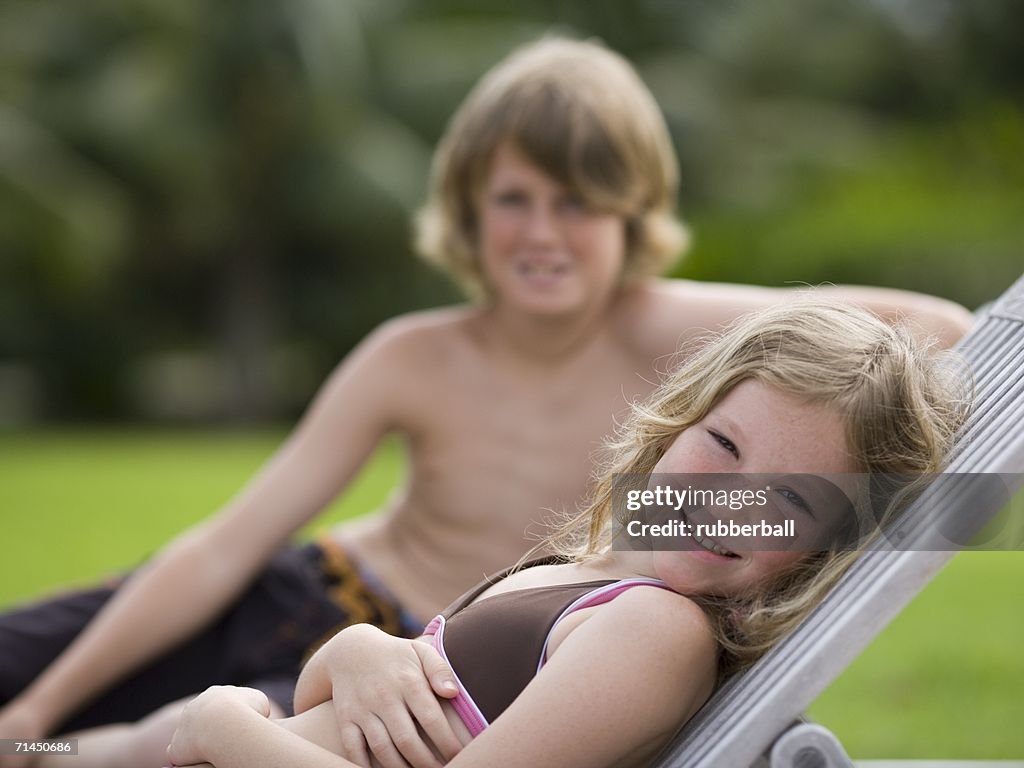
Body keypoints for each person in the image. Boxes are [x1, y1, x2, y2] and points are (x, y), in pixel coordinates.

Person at [0, 36, 973, 768]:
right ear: (466, 214)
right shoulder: (418, 354)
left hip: (432, 658)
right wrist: (43, 705)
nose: (545, 232)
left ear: (633, 222)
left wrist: (681, 317)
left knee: (161, 735)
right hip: (332, 606)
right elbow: (224, 546)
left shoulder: (671, 368)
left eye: (582, 204)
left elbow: (935, 331)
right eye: (515, 200)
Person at [139, 301, 968, 768]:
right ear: (674, 426)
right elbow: (382, 707)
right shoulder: (592, 575)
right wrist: (356, 650)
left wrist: (227, 728)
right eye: (720, 446)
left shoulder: (657, 630)